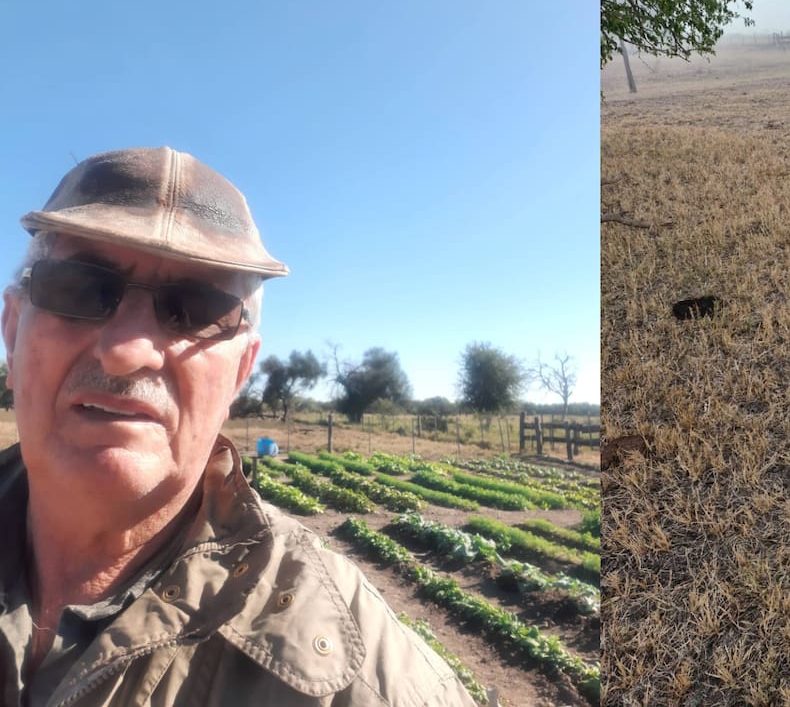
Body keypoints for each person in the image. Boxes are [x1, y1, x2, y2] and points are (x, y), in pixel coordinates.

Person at [0, 147, 476, 706]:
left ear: (241, 373)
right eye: (80, 289)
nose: (127, 351)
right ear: (12, 330)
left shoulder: (359, 675)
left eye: (197, 308)